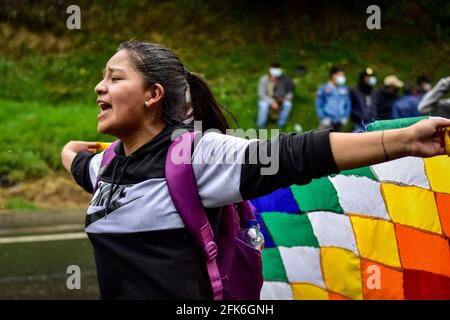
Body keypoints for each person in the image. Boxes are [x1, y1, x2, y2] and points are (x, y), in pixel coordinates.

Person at [61, 40, 450, 300]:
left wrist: (404, 141)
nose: (99, 87)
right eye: (102, 77)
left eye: (114, 78)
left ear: (153, 95)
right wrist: (68, 151)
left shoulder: (196, 157)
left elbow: (296, 153)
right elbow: (81, 167)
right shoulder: (108, 164)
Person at [257, 62, 294, 128]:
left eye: (277, 77)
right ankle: (261, 125)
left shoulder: (285, 79)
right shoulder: (263, 80)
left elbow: (290, 92)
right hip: (267, 99)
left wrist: (285, 98)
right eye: (273, 76)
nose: (275, 78)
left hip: (281, 99)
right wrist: (272, 102)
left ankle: (280, 125)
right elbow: (261, 94)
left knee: (288, 105)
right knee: (264, 105)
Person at [315, 67, 351, 132]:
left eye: (343, 75)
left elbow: (348, 104)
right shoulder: (324, 88)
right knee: (323, 140)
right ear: (333, 76)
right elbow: (319, 104)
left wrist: (345, 116)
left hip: (340, 121)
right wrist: (323, 117)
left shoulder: (344, 89)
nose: (342, 77)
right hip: (327, 120)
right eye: (340, 75)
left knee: (338, 141)